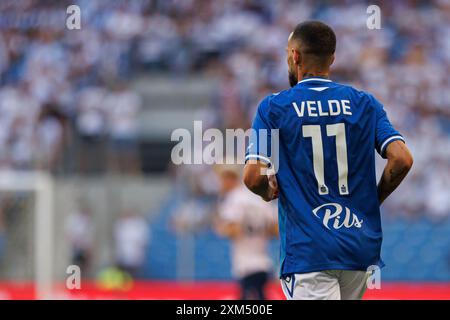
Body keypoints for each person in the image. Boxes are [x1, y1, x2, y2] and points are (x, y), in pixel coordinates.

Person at [243, 21, 413, 300]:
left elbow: (252, 177)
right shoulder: (364, 103)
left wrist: (267, 191)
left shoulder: (274, 108)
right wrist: (373, 200)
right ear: (332, 58)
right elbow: (402, 159)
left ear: (295, 56)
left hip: (309, 251)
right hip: (357, 249)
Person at [214, 163, 278, 300]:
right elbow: (276, 229)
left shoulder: (234, 198)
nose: (220, 183)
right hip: (263, 262)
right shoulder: (259, 198)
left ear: (230, 178)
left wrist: (220, 227)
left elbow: (233, 229)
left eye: (222, 179)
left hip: (245, 264)